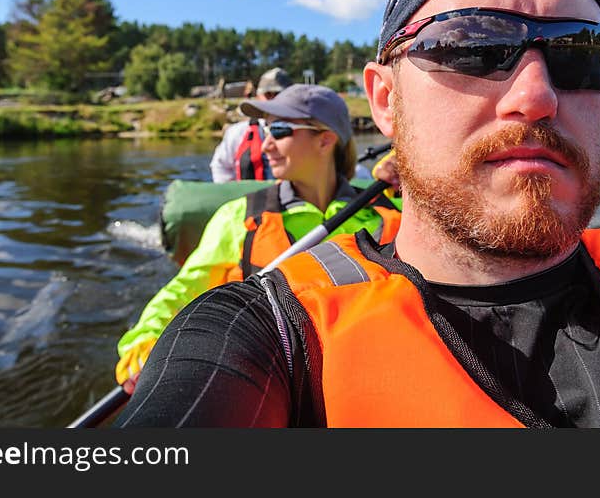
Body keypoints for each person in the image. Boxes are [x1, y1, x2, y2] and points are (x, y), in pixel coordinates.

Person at [116, 0, 600, 427]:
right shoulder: (265, 335)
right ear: (386, 101)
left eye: (582, 55)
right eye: (470, 46)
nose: (536, 96)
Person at [115, 83, 401, 388]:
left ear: (325, 139)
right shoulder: (238, 216)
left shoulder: (393, 209)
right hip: (275, 381)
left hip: (374, 375)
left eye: (279, 130)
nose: (266, 145)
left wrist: (409, 163)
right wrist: (145, 341)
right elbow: (187, 288)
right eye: (266, 131)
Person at [209, 67, 293, 183]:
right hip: (250, 198)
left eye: (279, 94)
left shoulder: (302, 133)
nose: (274, 100)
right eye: (268, 94)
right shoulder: (237, 132)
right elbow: (220, 165)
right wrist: (230, 192)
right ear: (258, 97)